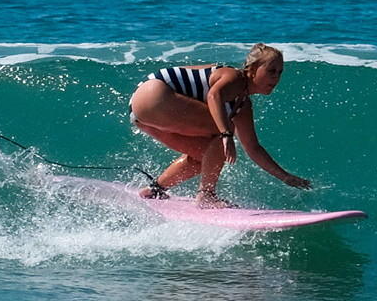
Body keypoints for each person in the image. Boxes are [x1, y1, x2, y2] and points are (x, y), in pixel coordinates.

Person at [128, 43, 312, 208]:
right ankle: (206, 195)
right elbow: (213, 96)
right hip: (154, 94)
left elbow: (253, 148)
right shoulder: (234, 78)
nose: (276, 78)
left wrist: (285, 177)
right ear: (253, 69)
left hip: (143, 112)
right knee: (224, 128)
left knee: (206, 156)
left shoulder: (243, 104)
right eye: (271, 71)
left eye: (280, 72)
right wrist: (226, 134)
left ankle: (155, 189)